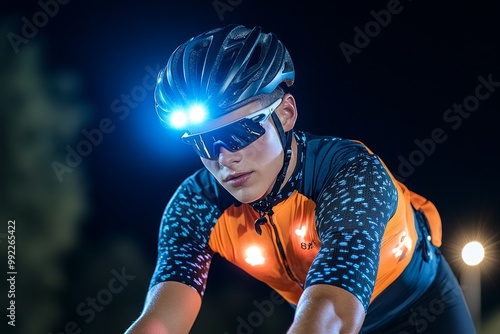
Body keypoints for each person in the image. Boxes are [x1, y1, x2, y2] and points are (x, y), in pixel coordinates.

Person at [125, 24, 476, 334]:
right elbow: (159, 322)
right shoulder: (196, 204)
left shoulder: (351, 176)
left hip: (421, 309)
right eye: (201, 142)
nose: (223, 157)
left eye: (240, 131)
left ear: (286, 114)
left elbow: (330, 319)